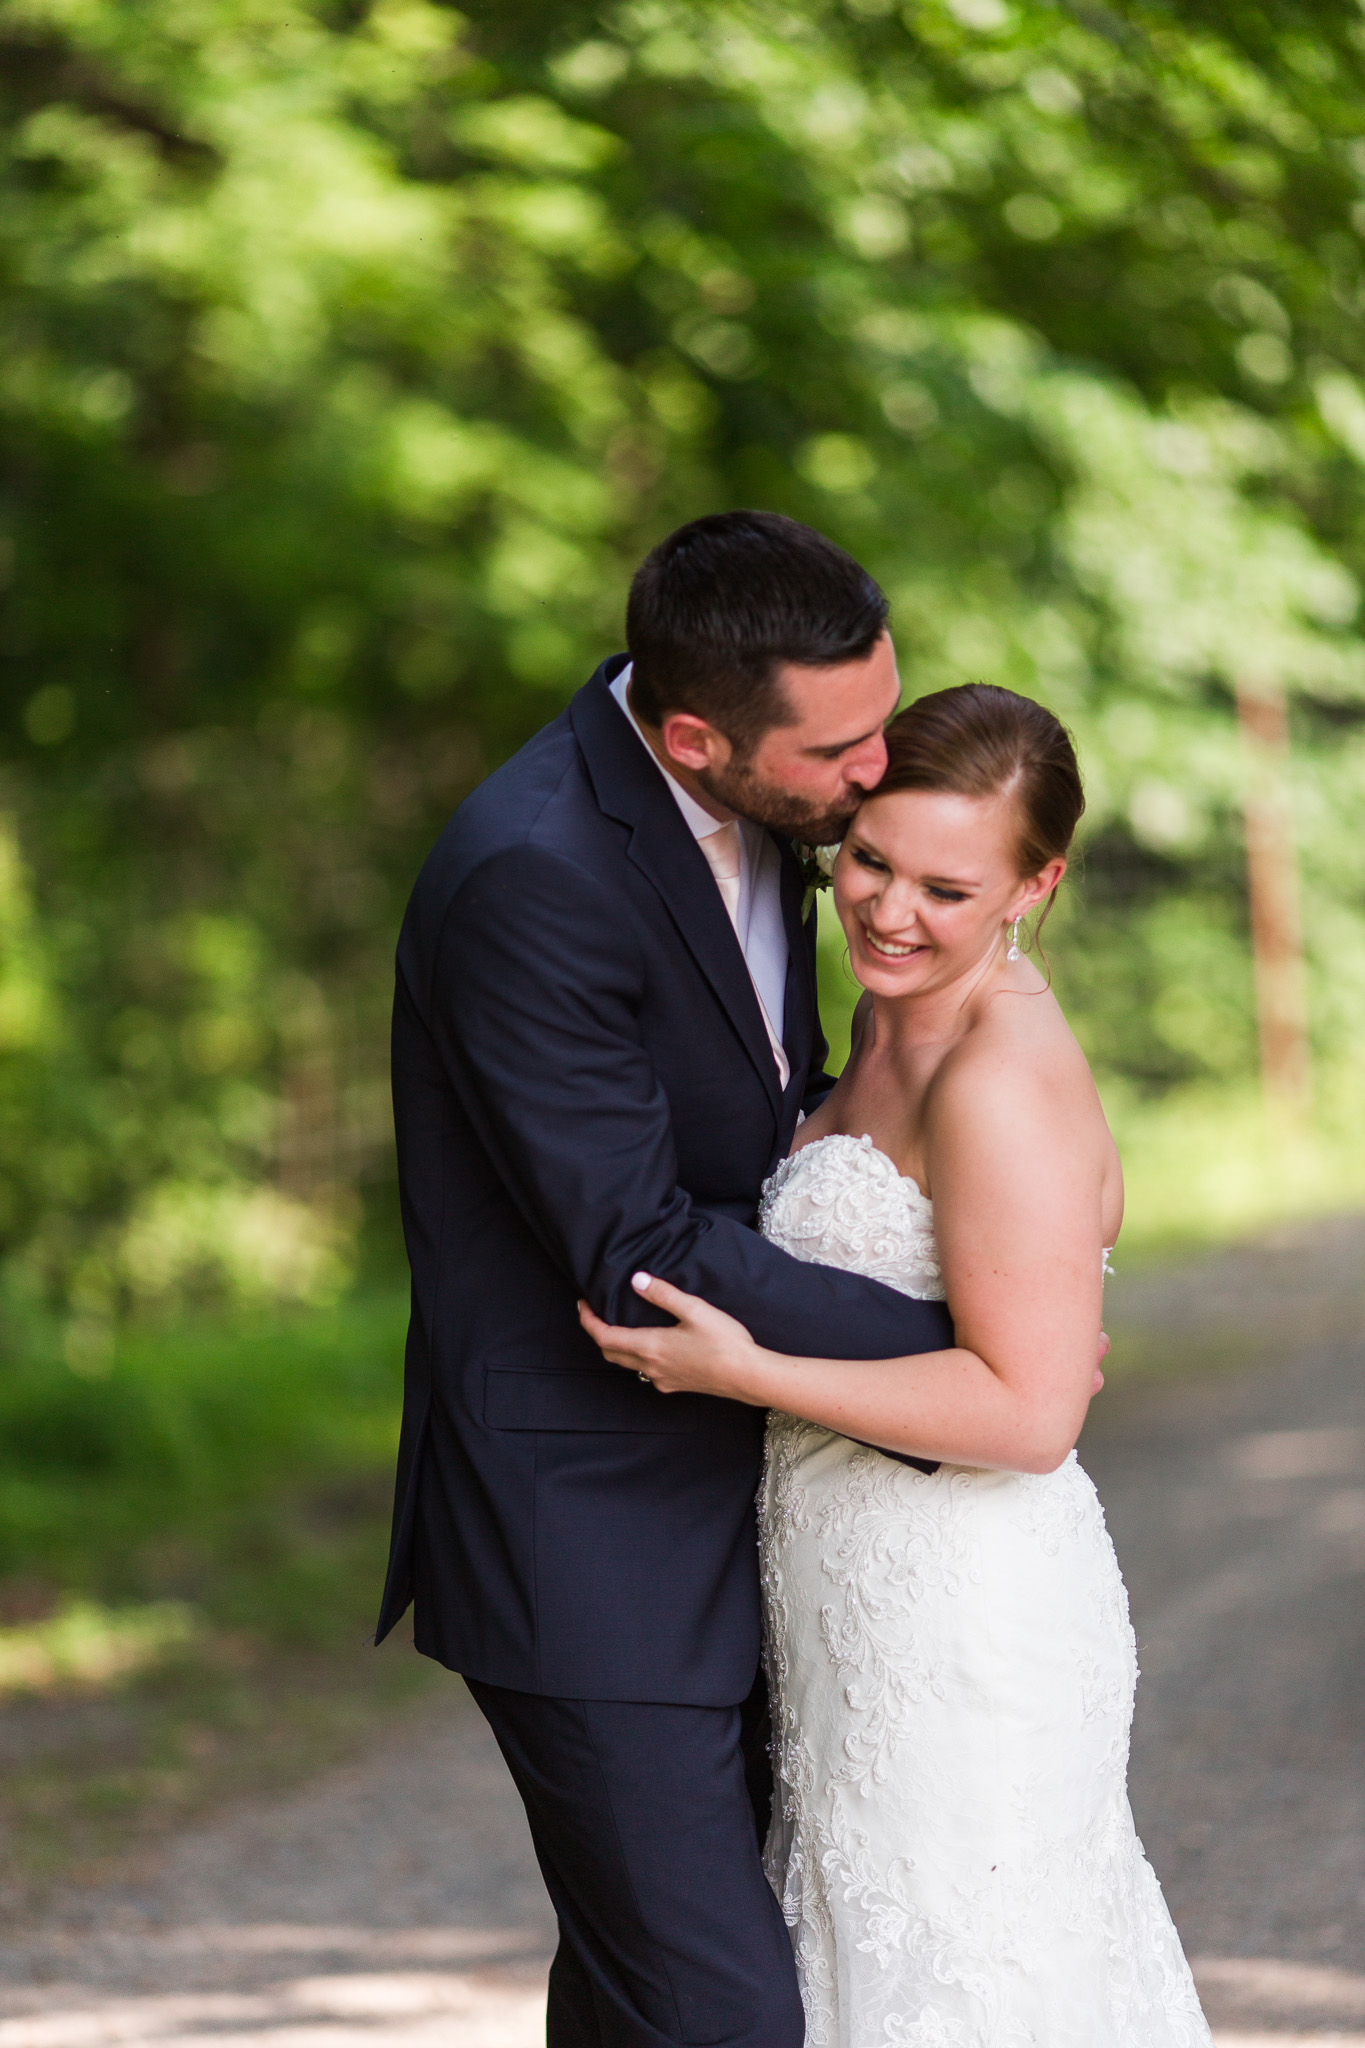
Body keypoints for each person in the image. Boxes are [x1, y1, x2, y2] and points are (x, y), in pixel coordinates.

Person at [374, 511, 964, 2048]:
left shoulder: (767, 811)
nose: (875, 768)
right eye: (840, 748)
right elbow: (634, 1247)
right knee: (719, 2012)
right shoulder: (533, 874)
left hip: (754, 1491)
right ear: (695, 734)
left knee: (651, 1996)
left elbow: (769, 1114)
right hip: (588, 1540)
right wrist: (955, 1358)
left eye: (881, 719)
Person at [581, 685, 1213, 2046]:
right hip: (845, 1605)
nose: (887, 911)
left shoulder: (994, 1077)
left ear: (1031, 886)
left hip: (962, 1617)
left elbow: (1031, 1411)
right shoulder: (885, 1013)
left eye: (944, 885)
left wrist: (742, 1371)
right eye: (868, 860)